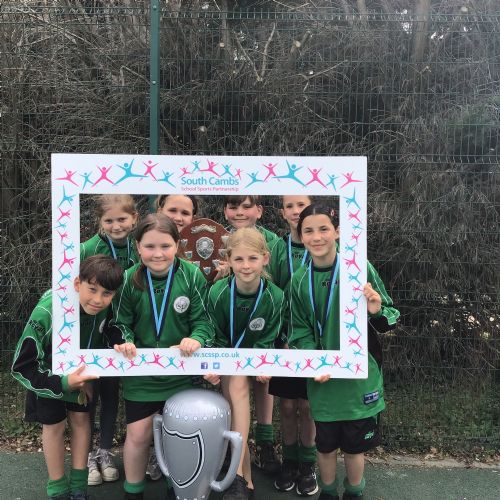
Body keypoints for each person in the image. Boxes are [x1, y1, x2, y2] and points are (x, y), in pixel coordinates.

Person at [288, 204, 400, 500]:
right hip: (323, 381)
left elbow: (390, 315)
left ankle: (354, 492)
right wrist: (316, 362)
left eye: (324, 229)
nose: (317, 237)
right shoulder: (299, 280)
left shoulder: (359, 268)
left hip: (358, 382)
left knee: (354, 448)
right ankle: (327, 493)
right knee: (324, 446)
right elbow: (299, 331)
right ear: (301, 235)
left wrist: (376, 310)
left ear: (337, 231)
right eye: (308, 231)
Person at [107, 213, 214, 500]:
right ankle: (133, 493)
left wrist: (196, 338)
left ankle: (176, 489)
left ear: (177, 245)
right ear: (138, 247)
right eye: (150, 246)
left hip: (180, 374)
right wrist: (126, 341)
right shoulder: (129, 278)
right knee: (139, 435)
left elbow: (204, 321)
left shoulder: (191, 275)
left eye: (165, 246)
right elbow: (120, 323)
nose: (158, 254)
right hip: (141, 374)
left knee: (177, 437)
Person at [11, 255, 123, 500]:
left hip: (81, 376)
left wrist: (120, 343)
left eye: (106, 293)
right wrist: (62, 383)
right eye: (92, 289)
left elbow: (111, 333)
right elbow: (22, 365)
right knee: (54, 426)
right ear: (77, 283)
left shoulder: (107, 309)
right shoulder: (47, 310)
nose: (98, 300)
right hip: (48, 377)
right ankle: (58, 490)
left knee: (82, 420)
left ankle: (78, 489)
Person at [206, 228, 286, 500]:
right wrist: (216, 363)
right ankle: (245, 479)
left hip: (255, 361)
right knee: (232, 409)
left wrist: (260, 362)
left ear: (265, 258)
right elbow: (215, 335)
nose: (246, 266)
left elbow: (269, 337)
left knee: (238, 389)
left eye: (252, 258)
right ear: (228, 260)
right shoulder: (217, 292)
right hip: (228, 360)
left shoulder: (275, 296)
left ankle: (237, 477)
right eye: (238, 259)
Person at [80, 194, 139, 486]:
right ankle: (87, 455)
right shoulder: (87, 249)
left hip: (120, 332)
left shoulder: (139, 248)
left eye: (122, 219)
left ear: (134, 219)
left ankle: (105, 451)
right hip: (91, 328)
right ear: (100, 222)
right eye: (109, 220)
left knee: (110, 392)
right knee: (88, 394)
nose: (116, 226)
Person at [221, 195, 281, 475]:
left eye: (247, 206)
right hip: (228, 345)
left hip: (261, 336)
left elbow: (278, 285)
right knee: (233, 395)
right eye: (233, 206)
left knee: (260, 386)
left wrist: (266, 354)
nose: (240, 212)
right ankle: (233, 455)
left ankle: (263, 446)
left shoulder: (274, 243)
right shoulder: (215, 237)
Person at [268, 195, 318, 496]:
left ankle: (308, 463)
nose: (296, 211)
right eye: (290, 206)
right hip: (283, 338)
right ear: (282, 212)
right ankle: (289, 460)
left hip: (315, 340)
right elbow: (270, 292)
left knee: (308, 405)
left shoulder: (322, 244)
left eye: (301, 205)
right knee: (287, 405)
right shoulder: (277, 247)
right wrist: (281, 337)